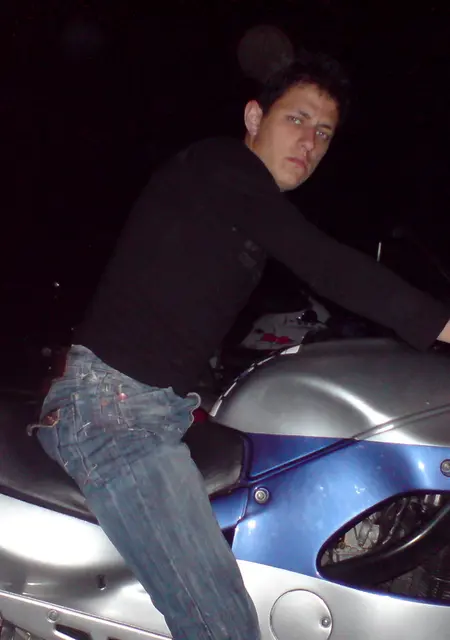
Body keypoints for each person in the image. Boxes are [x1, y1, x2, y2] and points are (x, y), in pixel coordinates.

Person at [34, 50, 450, 640]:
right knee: (223, 627)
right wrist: (440, 324)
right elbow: (324, 261)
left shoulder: (233, 206)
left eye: (324, 132)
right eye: (296, 119)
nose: (309, 141)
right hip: (114, 415)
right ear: (255, 117)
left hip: (147, 409)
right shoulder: (221, 164)